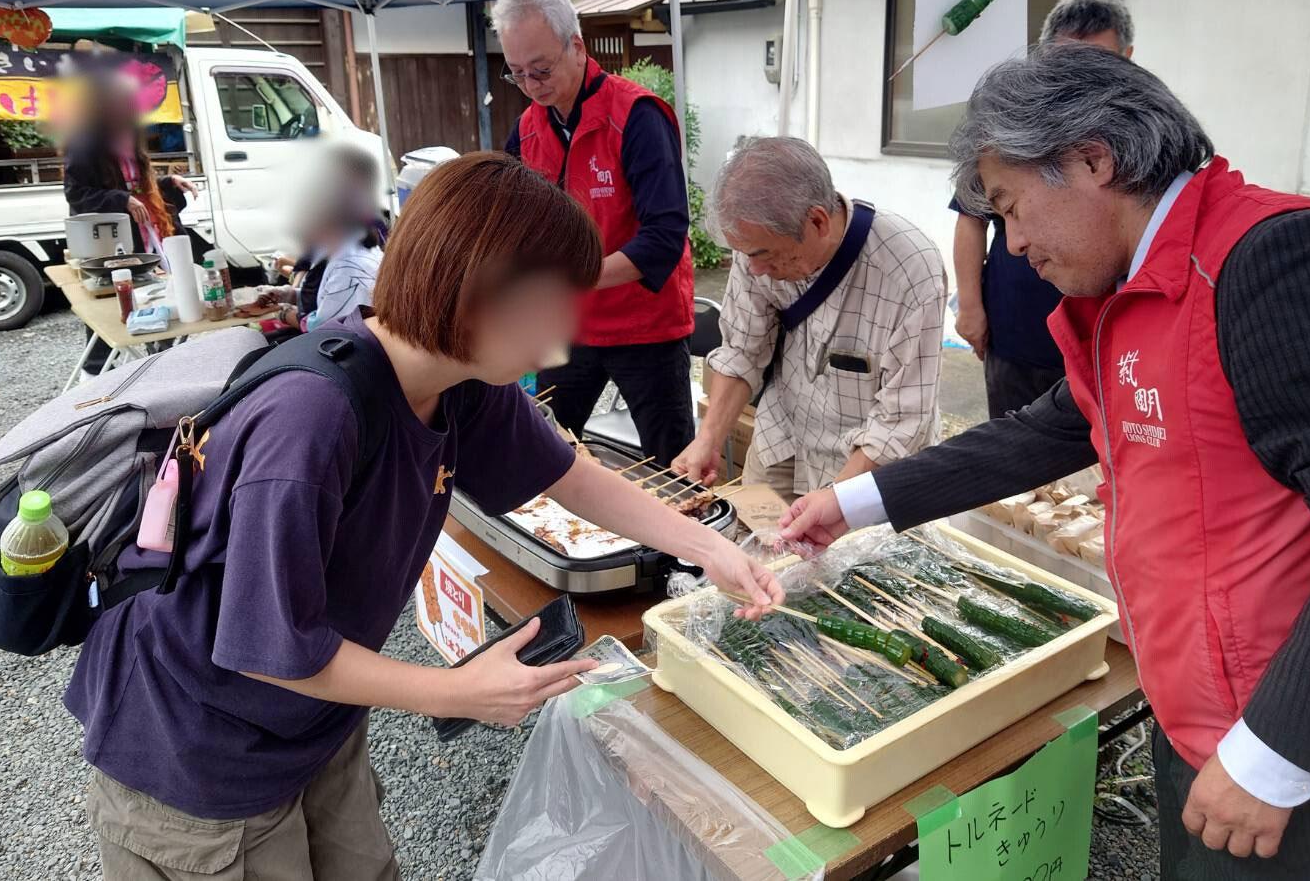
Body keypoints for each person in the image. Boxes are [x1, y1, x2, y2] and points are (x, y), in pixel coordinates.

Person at [66, 151, 782, 880]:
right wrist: (453, 691)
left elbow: (569, 475)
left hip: (312, 719)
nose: (561, 343)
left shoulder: (459, 377)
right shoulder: (310, 422)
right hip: (194, 744)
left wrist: (709, 548)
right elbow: (266, 646)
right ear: (478, 299)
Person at [781, 45, 1310, 879]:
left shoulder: (1272, 263)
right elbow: (1044, 431)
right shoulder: (1122, 297)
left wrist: (1276, 753)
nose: (1015, 243)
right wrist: (853, 502)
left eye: (1010, 207)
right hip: (1201, 727)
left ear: (1092, 159)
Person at [674, 137, 946, 502]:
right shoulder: (755, 247)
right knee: (756, 547)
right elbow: (743, 350)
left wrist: (834, 502)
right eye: (746, 256)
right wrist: (707, 439)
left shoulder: (909, 271)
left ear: (817, 221)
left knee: (846, 557)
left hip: (868, 464)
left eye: (764, 255)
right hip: (782, 439)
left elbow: (901, 421)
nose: (755, 270)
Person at [495, 0, 696, 468]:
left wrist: (574, 279)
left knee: (674, 468)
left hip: (646, 328)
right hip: (568, 327)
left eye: (541, 69)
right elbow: (508, 221)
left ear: (577, 47)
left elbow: (665, 238)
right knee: (542, 451)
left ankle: (678, 547)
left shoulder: (637, 116)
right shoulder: (527, 128)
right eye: (517, 74)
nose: (532, 85)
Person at [952, 0, 1135, 418]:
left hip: (1110, 336)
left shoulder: (1144, 134)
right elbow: (971, 217)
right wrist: (970, 307)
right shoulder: (1011, 127)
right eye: (1067, 63)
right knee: (1014, 456)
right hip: (1017, 329)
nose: (1082, 79)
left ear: (1127, 56)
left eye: (1098, 62)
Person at [62, 70, 197, 259]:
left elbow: (134, 184)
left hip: (150, 225)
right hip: (114, 237)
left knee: (171, 273)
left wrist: (169, 181)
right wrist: (122, 199)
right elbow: (75, 193)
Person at [258, 146, 387, 333]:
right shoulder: (339, 251)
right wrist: (290, 296)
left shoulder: (350, 265)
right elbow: (330, 298)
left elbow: (323, 327)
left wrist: (284, 314)